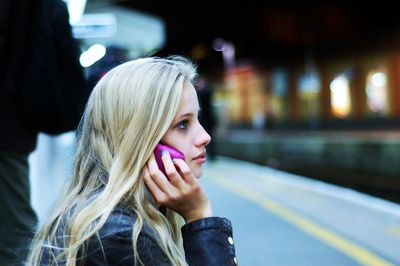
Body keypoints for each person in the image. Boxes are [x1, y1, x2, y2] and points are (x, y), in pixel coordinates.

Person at [27, 56, 237, 265]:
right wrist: (200, 217)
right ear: (137, 139)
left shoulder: (100, 219)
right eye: (183, 124)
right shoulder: (124, 238)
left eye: (197, 119)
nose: (205, 137)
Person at [0, 0, 88, 265]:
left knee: (14, 232)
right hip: (13, 127)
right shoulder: (47, 7)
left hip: (8, 128)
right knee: (14, 231)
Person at [196, 75, 218, 161]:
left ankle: (212, 154)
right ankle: (210, 154)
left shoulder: (206, 91)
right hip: (206, 119)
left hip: (208, 119)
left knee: (211, 137)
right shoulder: (205, 91)